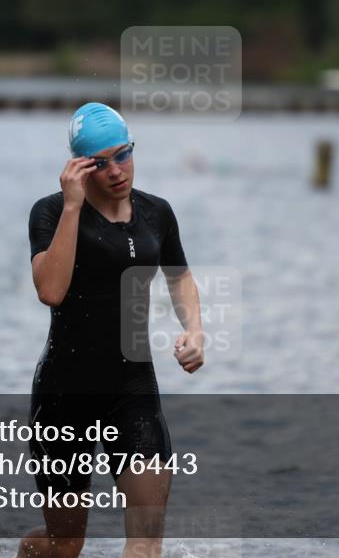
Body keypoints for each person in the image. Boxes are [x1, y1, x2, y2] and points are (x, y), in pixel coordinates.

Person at [17, 103, 205, 558]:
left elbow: (179, 277)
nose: (117, 171)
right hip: (65, 394)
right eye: (100, 163)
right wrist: (72, 207)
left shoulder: (157, 213)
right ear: (79, 168)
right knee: (65, 546)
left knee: (144, 543)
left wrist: (195, 331)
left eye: (123, 155)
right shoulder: (50, 212)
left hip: (132, 387)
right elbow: (51, 290)